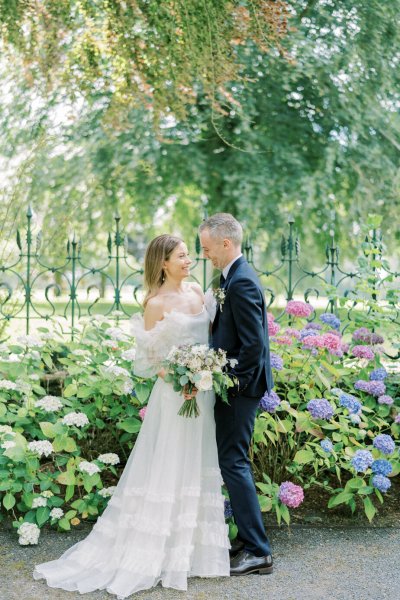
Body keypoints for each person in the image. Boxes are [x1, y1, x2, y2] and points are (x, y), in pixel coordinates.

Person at [33, 234, 230, 598]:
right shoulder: (155, 304)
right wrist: (180, 377)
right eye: (182, 256)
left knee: (196, 462)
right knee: (168, 464)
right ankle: (151, 553)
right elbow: (149, 360)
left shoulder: (198, 292)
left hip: (202, 395)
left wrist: (205, 374)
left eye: (189, 255)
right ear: (164, 263)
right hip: (174, 396)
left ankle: (190, 554)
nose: (189, 261)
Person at [199, 213, 274, 576]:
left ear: (225, 244)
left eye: (207, 248)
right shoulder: (231, 277)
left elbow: (254, 346)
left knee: (234, 463)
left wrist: (234, 384)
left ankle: (258, 551)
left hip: (240, 390)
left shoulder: (241, 282)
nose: (205, 255)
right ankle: (248, 541)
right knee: (233, 461)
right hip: (237, 387)